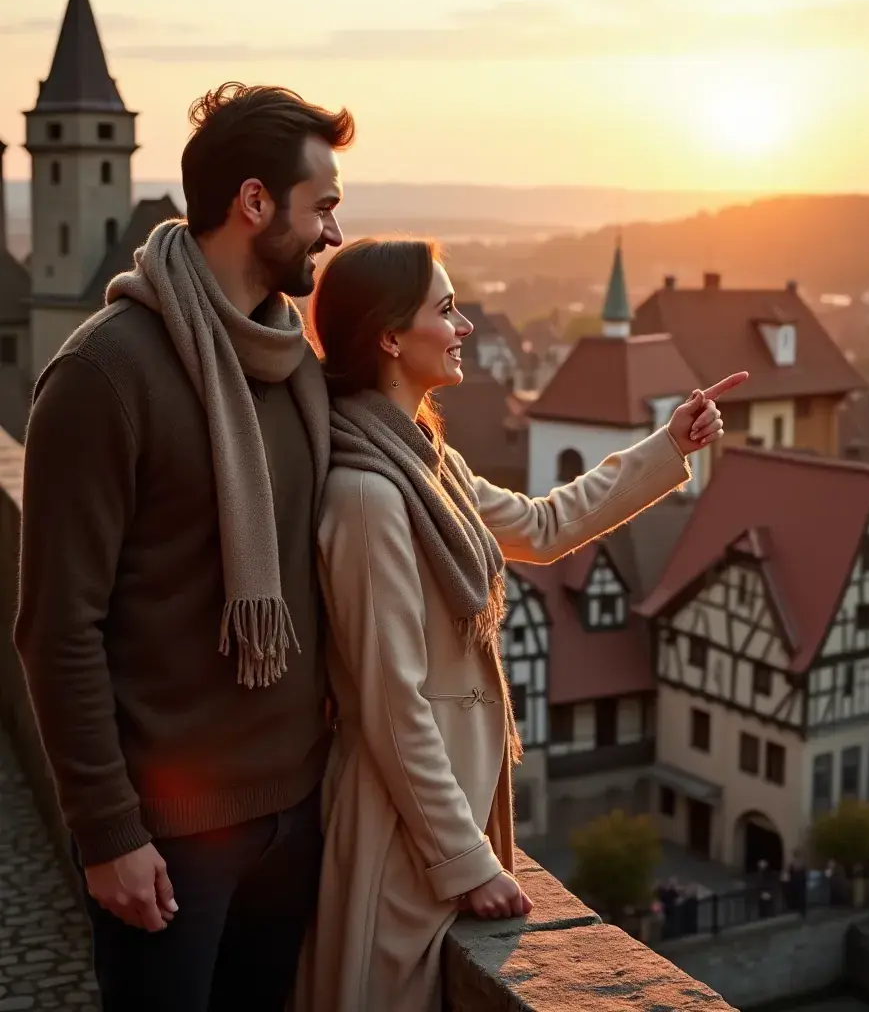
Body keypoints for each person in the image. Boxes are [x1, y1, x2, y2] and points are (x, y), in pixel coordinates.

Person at [291, 237, 748, 1012]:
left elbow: (542, 526)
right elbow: (389, 705)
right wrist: (467, 862)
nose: (464, 324)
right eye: (446, 308)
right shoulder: (368, 496)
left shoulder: (425, 462)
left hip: (432, 833)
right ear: (390, 337)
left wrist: (668, 445)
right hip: (399, 844)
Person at [15, 83, 353, 1011]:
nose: (332, 231)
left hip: (297, 816)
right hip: (166, 840)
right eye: (321, 205)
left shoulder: (293, 366)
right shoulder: (103, 373)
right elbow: (57, 628)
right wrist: (108, 832)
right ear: (254, 203)